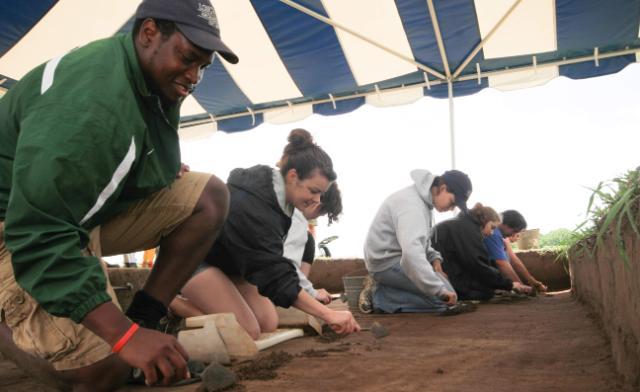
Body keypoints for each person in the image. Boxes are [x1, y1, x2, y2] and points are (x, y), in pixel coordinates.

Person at [0, 0, 238, 389]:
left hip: (71, 217)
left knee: (208, 198)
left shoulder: (148, 83)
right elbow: (38, 232)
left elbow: (108, 173)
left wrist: (135, 330)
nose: (195, 76)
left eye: (203, 66)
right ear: (148, 34)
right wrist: (123, 338)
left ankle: (146, 318)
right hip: (15, 228)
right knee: (102, 372)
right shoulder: (91, 104)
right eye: (188, 57)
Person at [179, 129, 360, 340]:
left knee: (268, 322)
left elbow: (276, 265)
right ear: (293, 176)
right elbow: (273, 273)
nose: (318, 200)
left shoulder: (282, 202)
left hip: (231, 267)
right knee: (247, 330)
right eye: (313, 190)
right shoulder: (252, 206)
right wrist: (328, 314)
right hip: (191, 260)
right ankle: (172, 303)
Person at [360, 169, 471, 314]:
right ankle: (380, 297)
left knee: (447, 293)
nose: (452, 209)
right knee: (442, 298)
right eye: (452, 202)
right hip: (385, 263)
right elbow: (411, 254)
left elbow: (421, 243)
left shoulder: (423, 203)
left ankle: (389, 288)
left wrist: (434, 259)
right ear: (442, 188)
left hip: (397, 258)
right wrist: (437, 290)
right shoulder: (412, 207)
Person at [431, 203, 532, 300]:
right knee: (484, 293)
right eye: (492, 227)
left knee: (487, 288)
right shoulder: (469, 230)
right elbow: (477, 265)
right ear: (484, 221)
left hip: (441, 271)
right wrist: (509, 284)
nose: (491, 233)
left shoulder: (463, 224)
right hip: (442, 276)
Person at [283, 182, 343, 305]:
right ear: (317, 206)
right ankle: (298, 294)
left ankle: (300, 292)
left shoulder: (287, 206)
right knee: (268, 320)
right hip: (259, 274)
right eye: (321, 214)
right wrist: (313, 293)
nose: (315, 218)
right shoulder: (297, 219)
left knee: (309, 239)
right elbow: (287, 266)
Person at [483, 210, 548, 292]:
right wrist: (522, 287)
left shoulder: (503, 237)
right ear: (504, 224)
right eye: (514, 231)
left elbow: (514, 260)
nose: (514, 235)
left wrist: (531, 280)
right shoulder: (494, 234)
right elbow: (501, 263)